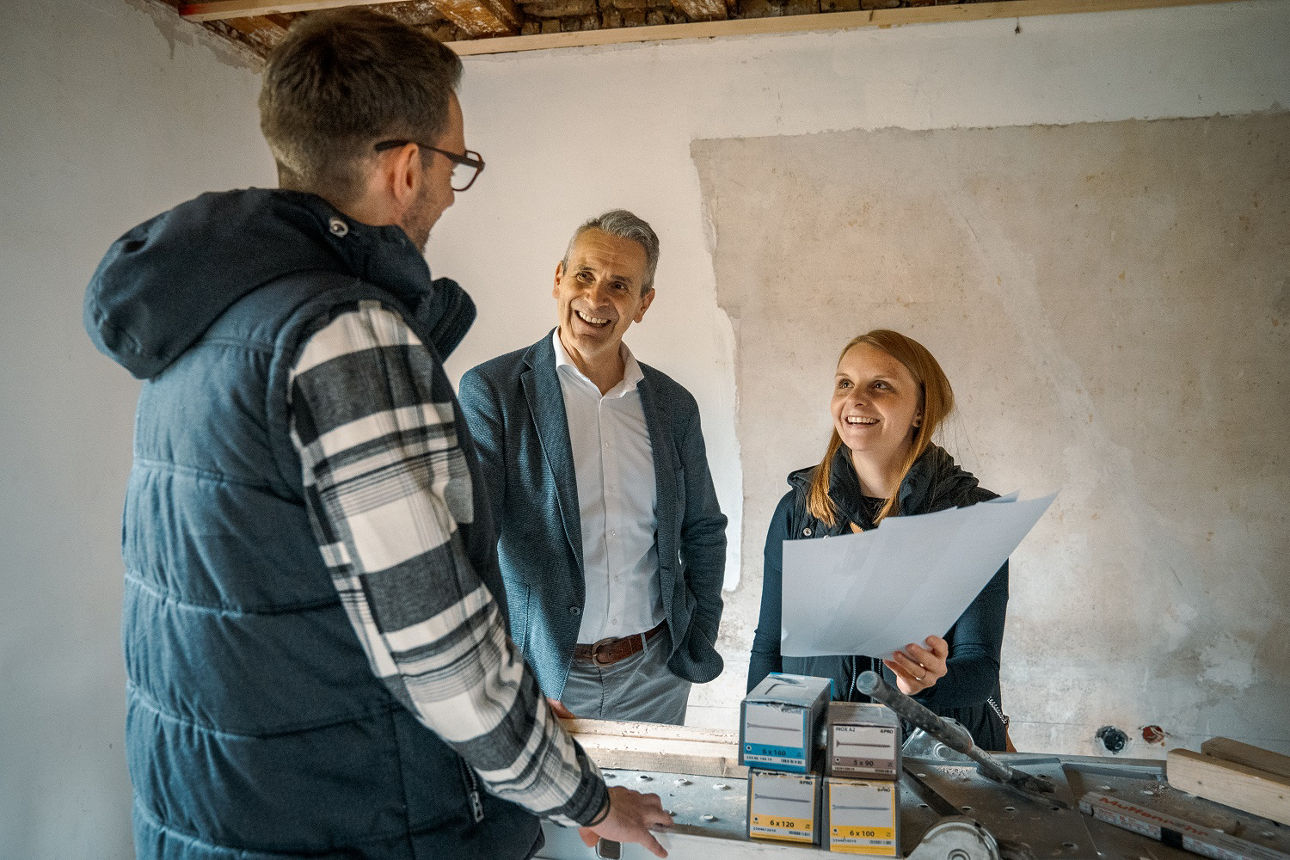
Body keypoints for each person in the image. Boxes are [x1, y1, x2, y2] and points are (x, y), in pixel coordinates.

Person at [83, 10, 671, 858]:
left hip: (217, 809)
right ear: (405, 169)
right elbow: (439, 648)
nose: (447, 190)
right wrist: (583, 797)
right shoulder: (345, 335)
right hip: (349, 816)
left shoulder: (203, 322)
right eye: (456, 164)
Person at [458, 211, 727, 726]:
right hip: (543, 676)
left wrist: (696, 639)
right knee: (549, 810)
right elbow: (470, 543)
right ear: (558, 279)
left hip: (656, 675)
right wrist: (498, 671)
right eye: (584, 276)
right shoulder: (493, 392)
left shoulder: (673, 405)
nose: (597, 298)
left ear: (643, 304)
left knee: (655, 806)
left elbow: (703, 531)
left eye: (620, 285)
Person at [747, 330, 1010, 751]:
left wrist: (928, 684)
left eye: (880, 386)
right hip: (823, 748)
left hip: (935, 752)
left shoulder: (975, 516)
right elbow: (768, 646)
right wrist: (763, 740)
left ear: (921, 411)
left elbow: (980, 667)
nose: (856, 399)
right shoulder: (798, 511)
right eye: (845, 383)